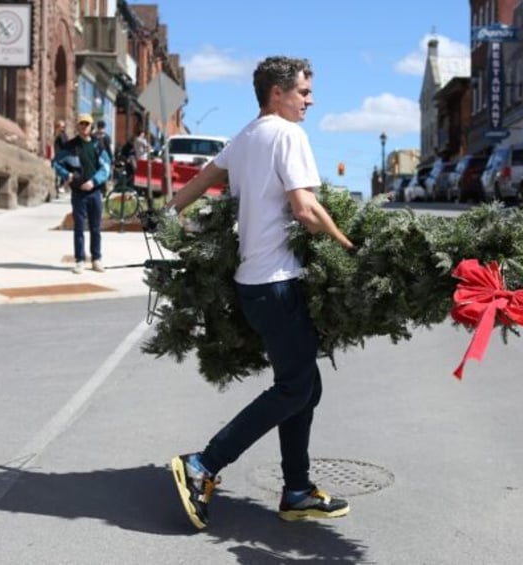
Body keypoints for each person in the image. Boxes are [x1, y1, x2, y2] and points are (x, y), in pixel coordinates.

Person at [165, 56, 354, 530]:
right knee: (295, 386)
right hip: (277, 283)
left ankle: (297, 490)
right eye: (304, 92)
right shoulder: (289, 135)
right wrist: (352, 249)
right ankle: (203, 464)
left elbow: (205, 179)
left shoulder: (247, 136)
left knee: (303, 385)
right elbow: (307, 209)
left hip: (255, 284)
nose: (310, 100)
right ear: (277, 92)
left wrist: (164, 214)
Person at [53, 113, 112, 274]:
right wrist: (68, 175)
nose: (84, 127)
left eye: (87, 124)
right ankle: (79, 260)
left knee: (95, 228)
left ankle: (96, 260)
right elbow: (56, 163)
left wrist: (93, 181)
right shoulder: (70, 146)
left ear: (91, 126)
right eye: (81, 124)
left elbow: (106, 166)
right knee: (79, 228)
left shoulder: (97, 145)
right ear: (77, 126)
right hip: (78, 193)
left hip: (94, 192)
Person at [52, 120, 69, 195]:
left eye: (63, 127)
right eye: (61, 127)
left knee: (60, 172)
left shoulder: (60, 135)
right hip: (59, 155)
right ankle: (59, 188)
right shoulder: (59, 135)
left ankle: (60, 187)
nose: (63, 128)